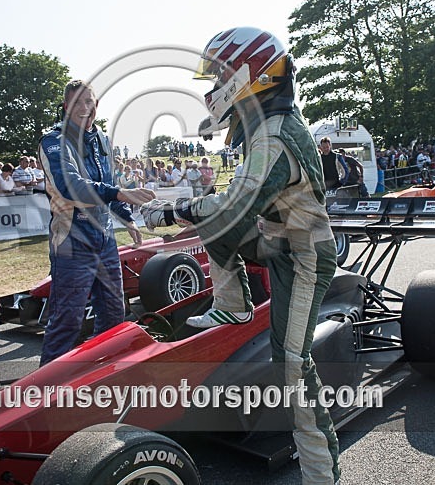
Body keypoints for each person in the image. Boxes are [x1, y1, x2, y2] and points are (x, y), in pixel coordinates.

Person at [140, 28, 340, 484]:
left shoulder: (274, 136)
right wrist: (194, 211)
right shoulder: (266, 125)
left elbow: (235, 205)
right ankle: (231, 305)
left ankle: (322, 475)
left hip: (305, 255)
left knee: (291, 365)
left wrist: (174, 210)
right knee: (213, 221)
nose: (214, 85)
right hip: (279, 240)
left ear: (250, 75)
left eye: (220, 75)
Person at [37, 80, 155, 366]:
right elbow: (70, 186)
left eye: (88, 102)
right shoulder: (52, 141)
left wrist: (126, 216)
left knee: (114, 315)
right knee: (67, 321)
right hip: (72, 240)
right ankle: (47, 389)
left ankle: (103, 373)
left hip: (105, 238)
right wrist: (120, 193)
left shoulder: (101, 138)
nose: (84, 108)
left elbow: (109, 182)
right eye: (77, 103)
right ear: (66, 107)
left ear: (96, 105)